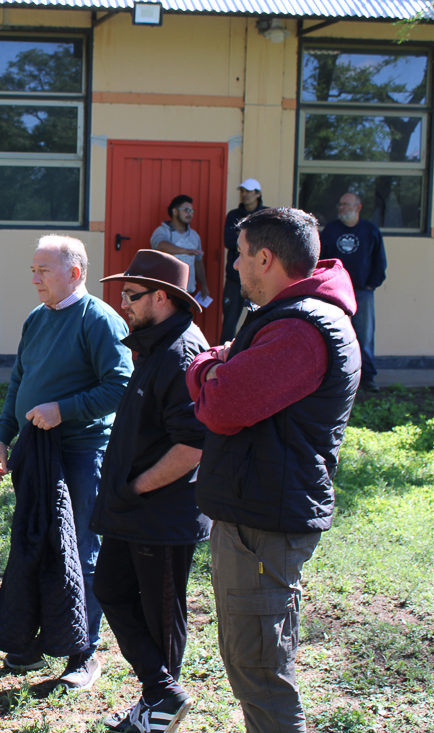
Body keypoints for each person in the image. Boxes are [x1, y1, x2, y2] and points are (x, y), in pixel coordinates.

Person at [187, 207, 360, 733]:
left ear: (266, 258)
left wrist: (209, 366)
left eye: (240, 255)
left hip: (264, 524)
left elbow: (220, 405)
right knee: (251, 665)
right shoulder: (290, 318)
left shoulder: (298, 330)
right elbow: (227, 374)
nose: (235, 266)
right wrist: (221, 365)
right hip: (255, 513)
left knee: (261, 672)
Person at [0, 235, 133, 688]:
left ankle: (83, 652)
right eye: (32, 269)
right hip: (35, 453)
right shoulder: (36, 318)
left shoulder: (98, 320)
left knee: (81, 551)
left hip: (81, 452)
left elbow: (121, 385)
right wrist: (2, 437)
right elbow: (19, 380)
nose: (34, 278)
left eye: (43, 270)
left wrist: (63, 410)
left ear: (74, 272)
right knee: (38, 545)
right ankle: (36, 640)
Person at [90, 249, 210, 733]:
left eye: (132, 295)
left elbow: (193, 446)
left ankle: (159, 705)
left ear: (163, 297)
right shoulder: (157, 345)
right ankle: (162, 694)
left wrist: (136, 487)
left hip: (161, 512)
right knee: (109, 587)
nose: (122, 303)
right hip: (133, 506)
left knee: (161, 614)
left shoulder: (181, 353)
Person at [320, 192, 387, 392]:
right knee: (333, 334)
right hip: (334, 292)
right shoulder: (331, 230)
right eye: (340, 204)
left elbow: (379, 262)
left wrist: (371, 285)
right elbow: (321, 260)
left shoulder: (370, 230)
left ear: (358, 207)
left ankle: (367, 377)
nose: (341, 208)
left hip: (362, 292)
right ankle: (335, 377)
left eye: (346, 204)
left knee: (364, 336)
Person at [221, 179, 267, 343]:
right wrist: (255, 240)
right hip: (235, 278)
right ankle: (224, 355)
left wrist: (241, 238)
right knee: (229, 323)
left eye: (248, 191)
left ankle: (254, 351)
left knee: (260, 320)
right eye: (242, 191)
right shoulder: (233, 215)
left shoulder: (266, 216)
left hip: (259, 278)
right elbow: (228, 241)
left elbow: (268, 243)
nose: (244, 194)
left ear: (257, 194)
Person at [151, 195, 209, 303]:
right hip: (167, 292)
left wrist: (204, 285)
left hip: (188, 292)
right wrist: (185, 251)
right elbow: (160, 245)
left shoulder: (194, 236)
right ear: (175, 211)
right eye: (186, 210)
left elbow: (198, 262)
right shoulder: (162, 231)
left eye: (192, 211)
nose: (190, 214)